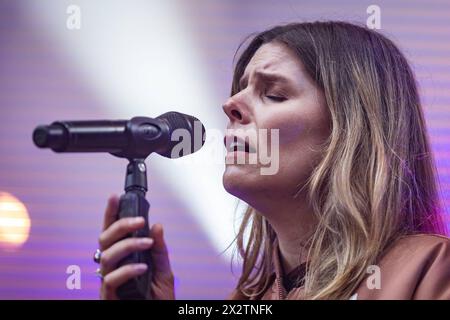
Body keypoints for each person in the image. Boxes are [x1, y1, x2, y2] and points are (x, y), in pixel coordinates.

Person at [95, 21, 450, 300]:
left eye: (274, 94)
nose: (230, 104)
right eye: (240, 88)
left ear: (351, 129)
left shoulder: (430, 268)